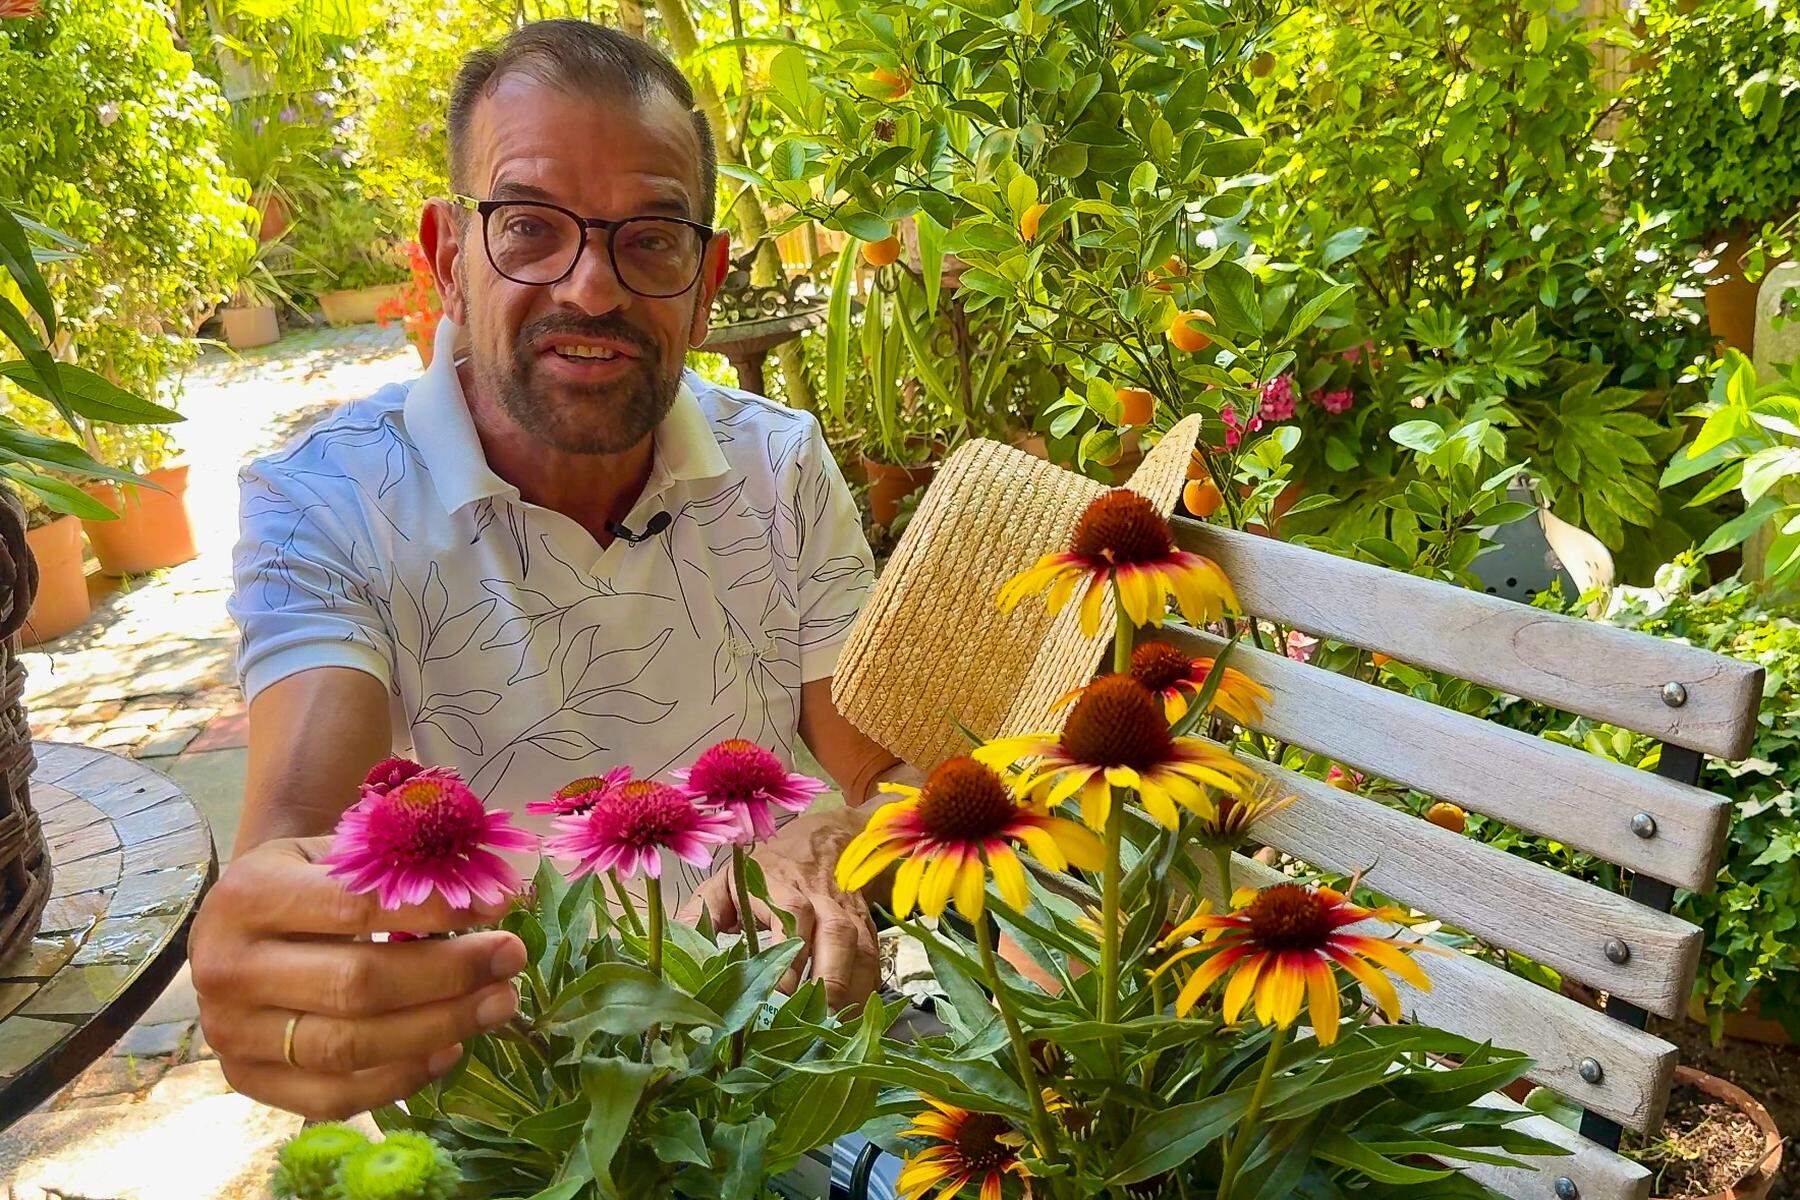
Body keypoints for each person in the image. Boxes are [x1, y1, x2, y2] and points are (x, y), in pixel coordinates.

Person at [190, 19, 911, 1121]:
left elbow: (885, 773)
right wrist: (270, 947)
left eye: (653, 238)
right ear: (446, 256)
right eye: (529, 228)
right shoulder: (326, 501)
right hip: (527, 1109)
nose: (591, 288)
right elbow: (297, 825)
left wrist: (838, 836)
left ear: (706, 280)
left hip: (801, 1061)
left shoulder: (780, 463)